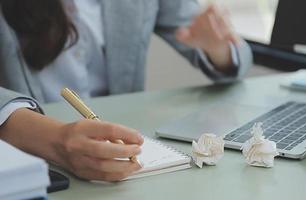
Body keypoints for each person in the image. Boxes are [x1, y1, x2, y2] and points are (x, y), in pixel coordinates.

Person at [0, 0, 252, 181]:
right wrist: (54, 140)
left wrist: (218, 47)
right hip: (24, 164)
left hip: (119, 165)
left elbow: (237, 54)